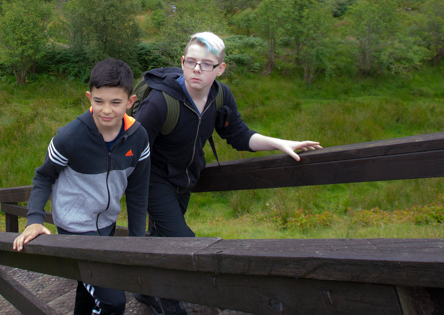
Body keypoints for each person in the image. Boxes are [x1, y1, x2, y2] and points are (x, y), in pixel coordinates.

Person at [133, 32, 322, 315]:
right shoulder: (160, 102)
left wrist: (278, 143)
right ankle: (170, 307)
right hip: (153, 180)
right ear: (183, 62)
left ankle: (145, 290)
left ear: (220, 68)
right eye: (192, 62)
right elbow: (131, 147)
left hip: (186, 180)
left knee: (161, 237)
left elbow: (238, 135)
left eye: (207, 64)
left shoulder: (221, 95)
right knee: (183, 244)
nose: (197, 69)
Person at [13, 58, 151, 315]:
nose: (106, 110)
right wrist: (33, 219)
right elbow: (43, 177)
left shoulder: (139, 138)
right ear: (89, 97)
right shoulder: (69, 137)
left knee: (88, 290)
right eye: (98, 101)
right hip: (74, 227)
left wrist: (136, 241)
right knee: (113, 302)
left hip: (107, 225)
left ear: (130, 102)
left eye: (115, 102)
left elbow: (138, 192)